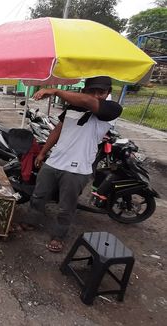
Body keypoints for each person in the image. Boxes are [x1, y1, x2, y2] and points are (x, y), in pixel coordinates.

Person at [18, 76, 123, 253]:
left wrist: (56, 91)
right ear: (84, 90)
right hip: (55, 161)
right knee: (38, 196)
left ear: (108, 93)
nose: (97, 95)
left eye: (102, 92)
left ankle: (58, 236)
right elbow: (58, 129)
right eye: (92, 91)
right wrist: (43, 153)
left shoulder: (112, 109)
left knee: (66, 206)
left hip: (78, 168)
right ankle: (31, 222)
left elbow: (90, 102)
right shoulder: (73, 106)